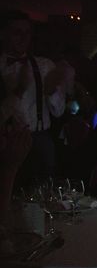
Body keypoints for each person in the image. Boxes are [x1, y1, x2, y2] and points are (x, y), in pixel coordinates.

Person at [0, 10, 65, 181]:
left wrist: (51, 92)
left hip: (40, 139)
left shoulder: (44, 66)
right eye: (17, 33)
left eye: (27, 33)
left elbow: (58, 112)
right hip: (6, 141)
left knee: (43, 195)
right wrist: (19, 90)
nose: (24, 38)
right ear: (4, 34)